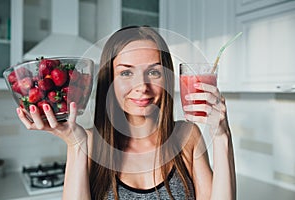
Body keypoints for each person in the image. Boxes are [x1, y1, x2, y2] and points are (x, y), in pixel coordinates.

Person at [16, 26, 236, 200]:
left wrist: (222, 136)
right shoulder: (89, 142)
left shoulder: (187, 136)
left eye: (153, 71)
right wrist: (75, 145)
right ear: (109, 80)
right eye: (126, 72)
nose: (142, 86)